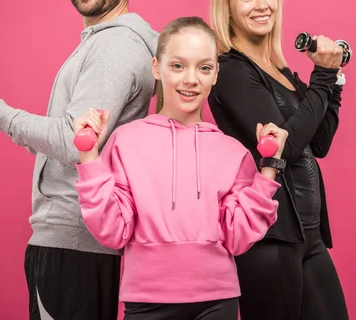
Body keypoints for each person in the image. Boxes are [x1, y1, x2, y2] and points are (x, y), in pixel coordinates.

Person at [0, 0, 158, 319]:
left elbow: (72, 140)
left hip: (73, 241)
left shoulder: (115, 46)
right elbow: (71, 137)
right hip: (80, 242)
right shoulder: (108, 41)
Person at [72, 16, 289, 320]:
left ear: (215, 74)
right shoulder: (125, 141)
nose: (191, 79)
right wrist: (89, 157)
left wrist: (268, 169)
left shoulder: (233, 152)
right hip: (146, 301)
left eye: (203, 67)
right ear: (156, 68)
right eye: (177, 66)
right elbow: (112, 231)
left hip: (217, 301)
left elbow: (239, 238)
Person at [208, 0, 349, 320]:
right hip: (269, 238)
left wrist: (332, 81)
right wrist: (322, 76)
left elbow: (319, 142)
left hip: (308, 233)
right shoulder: (231, 71)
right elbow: (282, 149)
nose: (262, 5)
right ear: (228, 8)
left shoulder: (280, 71)